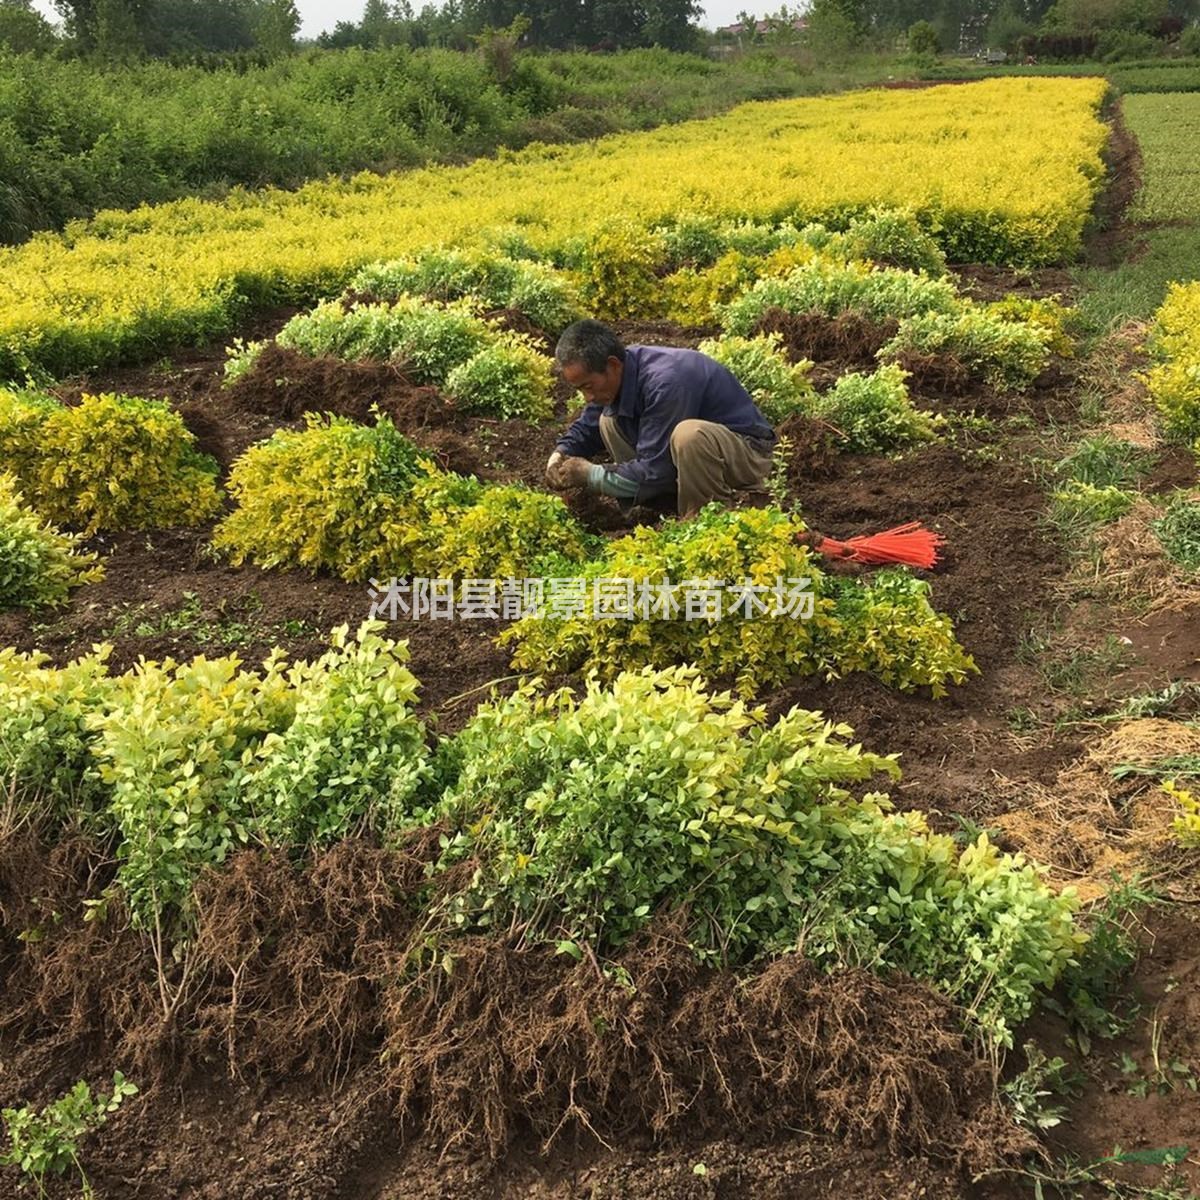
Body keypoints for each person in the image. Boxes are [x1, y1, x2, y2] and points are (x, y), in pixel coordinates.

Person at [544, 319, 776, 518]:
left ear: (612, 365)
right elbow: (588, 425)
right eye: (580, 389)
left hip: (748, 453)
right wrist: (559, 454)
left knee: (690, 436)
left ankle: (706, 521)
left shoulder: (666, 381)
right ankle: (661, 505)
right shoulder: (622, 371)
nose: (587, 397)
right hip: (689, 463)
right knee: (608, 421)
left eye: (588, 386)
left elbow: (656, 467)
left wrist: (591, 475)